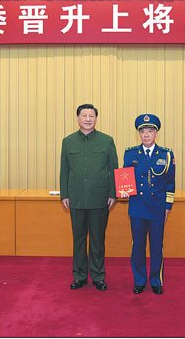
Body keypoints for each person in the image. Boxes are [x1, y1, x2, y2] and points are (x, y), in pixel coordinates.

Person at [60, 103, 118, 291]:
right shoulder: (68, 141)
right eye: (83, 115)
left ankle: (98, 276)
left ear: (96, 118)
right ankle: (80, 276)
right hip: (76, 197)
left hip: (100, 197)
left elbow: (114, 169)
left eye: (91, 115)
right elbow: (64, 170)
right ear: (77, 118)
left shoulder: (106, 141)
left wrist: (113, 193)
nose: (87, 118)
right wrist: (64, 194)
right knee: (78, 239)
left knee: (97, 239)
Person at [120, 114, 175, 295]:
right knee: (138, 245)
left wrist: (168, 207)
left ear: (156, 133)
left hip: (158, 207)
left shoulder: (166, 155)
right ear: (139, 134)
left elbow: (170, 183)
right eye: (142, 132)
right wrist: (123, 191)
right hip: (137, 207)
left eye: (150, 131)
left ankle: (156, 280)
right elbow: (125, 179)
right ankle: (139, 280)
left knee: (156, 246)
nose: (146, 135)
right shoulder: (130, 154)